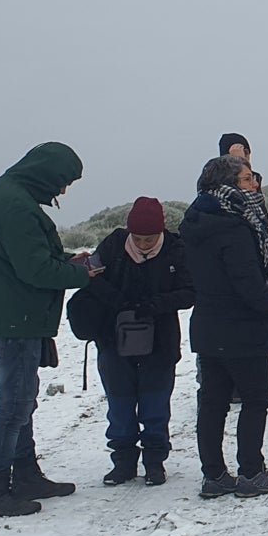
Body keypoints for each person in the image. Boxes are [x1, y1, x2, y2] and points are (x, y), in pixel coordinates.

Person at [0, 142, 95, 517]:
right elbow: (35, 271)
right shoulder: (14, 205)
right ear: (46, 173)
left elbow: (28, 257)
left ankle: (25, 473)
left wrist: (66, 259)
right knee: (14, 405)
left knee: (22, 399)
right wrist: (83, 273)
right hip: (14, 321)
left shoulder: (8, 194)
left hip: (10, 316)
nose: (62, 190)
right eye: (62, 181)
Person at [180, 155, 268, 499]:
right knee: (257, 397)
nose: (254, 184)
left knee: (213, 401)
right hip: (242, 327)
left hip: (208, 325)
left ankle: (214, 475)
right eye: (246, 179)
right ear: (227, 185)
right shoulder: (234, 224)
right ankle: (252, 472)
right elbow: (246, 280)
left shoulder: (195, 221)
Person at [86, 197, 194, 487]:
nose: (144, 244)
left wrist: (155, 305)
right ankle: (123, 462)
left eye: (150, 239)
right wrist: (119, 302)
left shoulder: (176, 249)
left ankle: (155, 461)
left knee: (155, 404)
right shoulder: (112, 246)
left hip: (160, 343)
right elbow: (91, 278)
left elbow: (190, 292)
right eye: (138, 239)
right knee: (119, 405)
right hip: (113, 341)